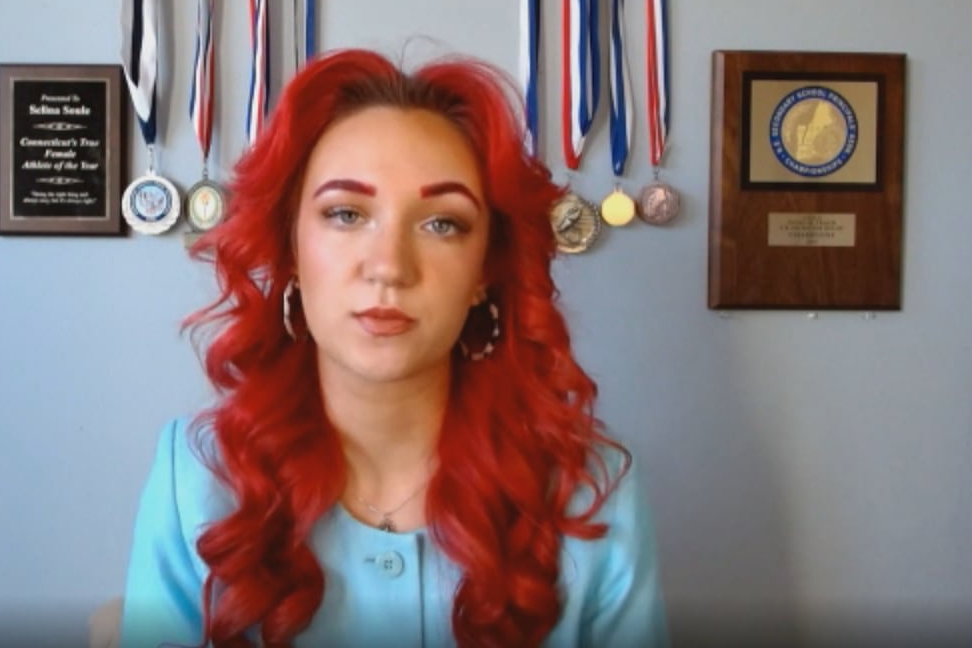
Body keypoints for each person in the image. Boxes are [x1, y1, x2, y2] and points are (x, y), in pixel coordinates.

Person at [119, 49, 669, 647]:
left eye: (442, 224)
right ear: (292, 250)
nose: (389, 267)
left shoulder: (594, 492)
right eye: (346, 213)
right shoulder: (193, 478)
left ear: (486, 266)